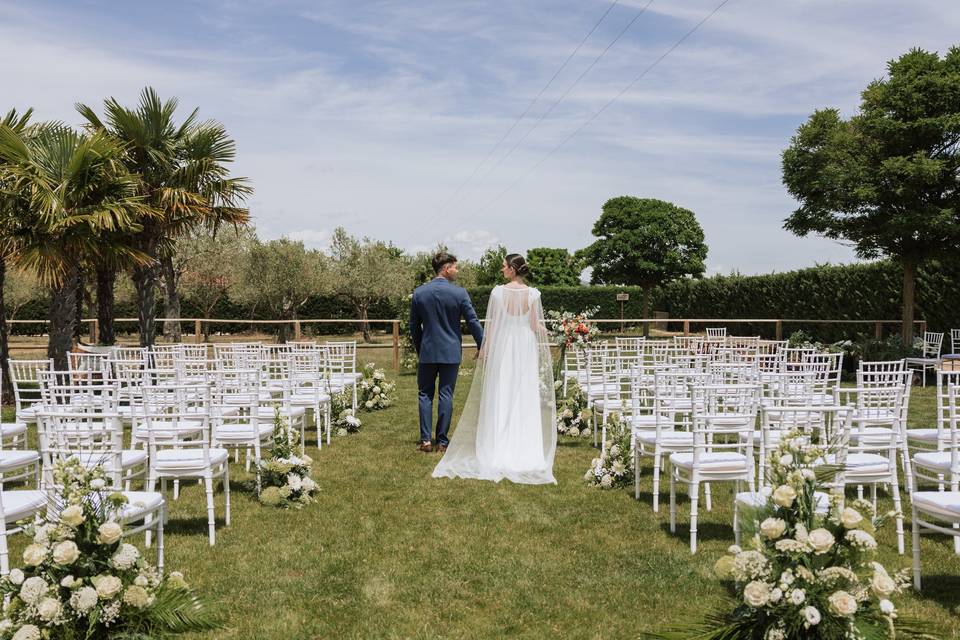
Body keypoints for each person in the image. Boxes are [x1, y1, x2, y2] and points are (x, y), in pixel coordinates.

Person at [432, 253, 557, 484]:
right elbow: (533, 325)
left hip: (506, 345)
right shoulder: (533, 294)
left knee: (502, 391)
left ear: (511, 268)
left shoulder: (498, 293)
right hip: (525, 346)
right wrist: (555, 331)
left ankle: (498, 447)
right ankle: (525, 450)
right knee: (523, 394)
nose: (502, 270)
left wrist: (485, 350)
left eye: (503, 267)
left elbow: (493, 325)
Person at [409, 251, 484, 453]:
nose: (457, 271)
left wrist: (420, 348)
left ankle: (425, 441)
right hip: (450, 352)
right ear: (446, 268)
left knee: (424, 394)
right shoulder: (459, 293)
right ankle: (442, 441)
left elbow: (414, 327)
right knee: (446, 394)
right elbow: (473, 322)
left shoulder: (419, 293)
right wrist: (482, 345)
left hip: (427, 351)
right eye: (455, 267)